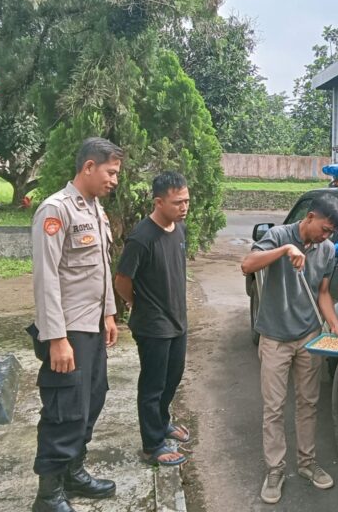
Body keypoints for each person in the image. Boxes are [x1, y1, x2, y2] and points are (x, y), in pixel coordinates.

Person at [29, 137, 122, 512]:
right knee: (64, 407)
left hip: (92, 327)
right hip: (67, 332)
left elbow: (101, 268)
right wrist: (56, 339)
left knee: (92, 399)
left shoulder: (94, 209)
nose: (115, 180)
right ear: (88, 167)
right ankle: (48, 494)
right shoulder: (55, 210)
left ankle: (74, 471)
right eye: (110, 172)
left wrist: (109, 314)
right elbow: (46, 278)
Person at [240, 194, 338, 505]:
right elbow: (246, 265)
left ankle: (307, 463)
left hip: (308, 337)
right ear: (310, 217)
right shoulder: (278, 236)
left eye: (331, 233)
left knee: (308, 403)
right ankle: (275, 469)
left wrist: (334, 323)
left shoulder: (327, 250)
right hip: (274, 337)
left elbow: (323, 292)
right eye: (324, 229)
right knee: (274, 408)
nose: (326, 236)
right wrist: (285, 250)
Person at [114, 171, 191, 467]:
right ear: (158, 202)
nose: (183, 207)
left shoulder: (178, 229)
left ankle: (162, 423)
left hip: (177, 322)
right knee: (152, 386)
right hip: (153, 326)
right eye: (177, 202)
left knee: (172, 379)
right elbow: (122, 280)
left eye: (186, 201)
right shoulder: (142, 237)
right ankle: (152, 445)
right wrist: (137, 303)